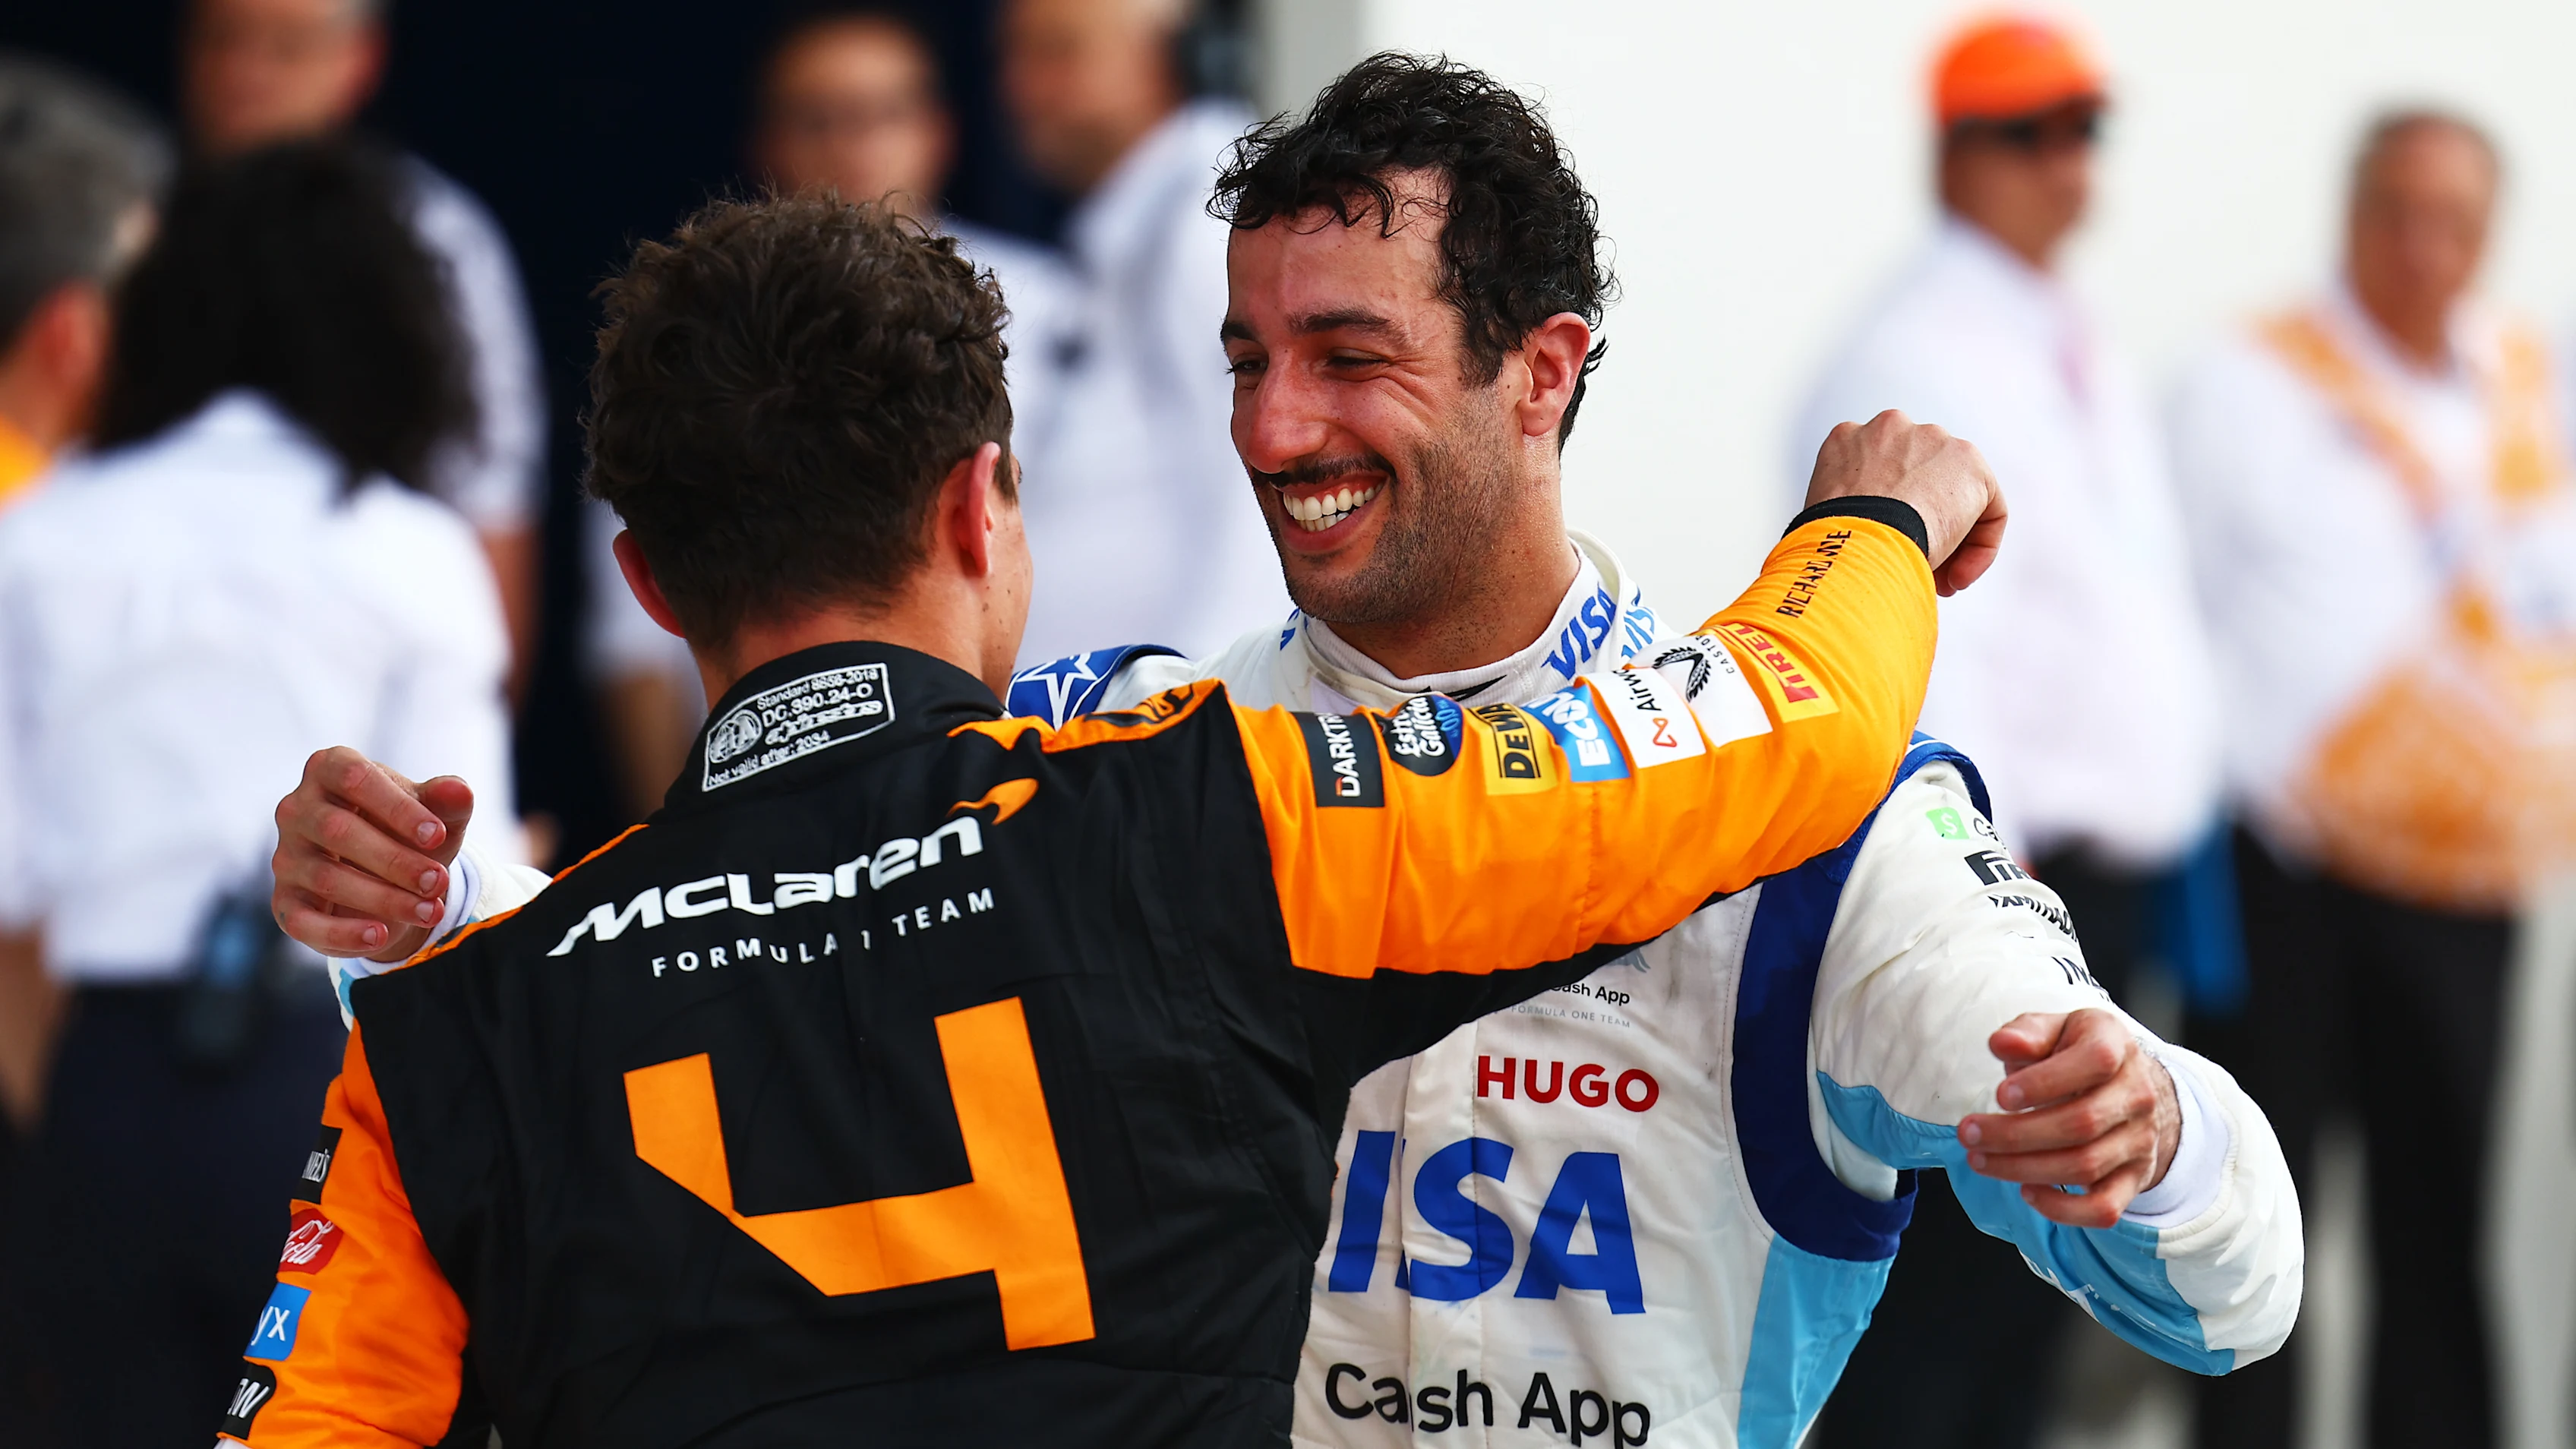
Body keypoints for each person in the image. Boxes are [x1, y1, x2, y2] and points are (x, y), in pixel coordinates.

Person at [266, 55, 2300, 1449]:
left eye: (1350, 356)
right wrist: (451, 928)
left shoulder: (1817, 833)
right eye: (1245, 356)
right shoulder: (1119, 761)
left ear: (1546, 370)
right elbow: (773, 999)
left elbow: (2235, 1292)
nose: (1271, 426)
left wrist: (2155, 1138)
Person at [0, 138, 513, 1449]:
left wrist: (68, 1122)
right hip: (329, 1094)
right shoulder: (413, 548)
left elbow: (9, 905)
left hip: (99, 1088)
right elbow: (467, 893)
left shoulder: (39, 537)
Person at [1791, 20, 2231, 1445]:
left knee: (2027, 1311)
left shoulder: (2051, 333)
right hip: (2006, 895)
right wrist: (1988, 912)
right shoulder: (1923, 345)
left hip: (2094, 885)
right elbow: (1924, 645)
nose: (2064, 162)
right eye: (2028, 131)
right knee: (1946, 1318)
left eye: (2078, 129)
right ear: (1955, 152)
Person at [2169, 110, 2576, 1449]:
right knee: (2249, 1231)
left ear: (2486, 235)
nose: (2420, 247)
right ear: (2349, 214)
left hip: (2467, 886)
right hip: (2285, 875)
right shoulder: (2250, 383)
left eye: (2452, 220)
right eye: (2395, 212)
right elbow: (2171, 607)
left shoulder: (2531, 383)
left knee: (2438, 1222)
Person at [588, 3, 1080, 821]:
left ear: (940, 129)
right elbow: (630, 645)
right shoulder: (683, 342)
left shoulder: (1056, 310)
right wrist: (678, 851)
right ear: (766, 142)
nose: (851, 144)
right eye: (818, 118)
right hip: (763, 805)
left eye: (881, 112)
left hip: (1011, 784)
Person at [185, 0, 548, 678]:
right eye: (220, 40)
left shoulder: (433, 240)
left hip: (352, 668)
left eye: (285, 47)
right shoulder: (128, 223)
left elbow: (490, 497)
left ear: (361, 59)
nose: (244, 72)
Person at [998, 0, 1287, 664]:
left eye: (1059, 53)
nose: (1020, 88)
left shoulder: (1216, 224)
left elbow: (1262, 486)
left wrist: (1197, 716)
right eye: (1015, 57)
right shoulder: (1146, 224)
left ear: (1178, 58)